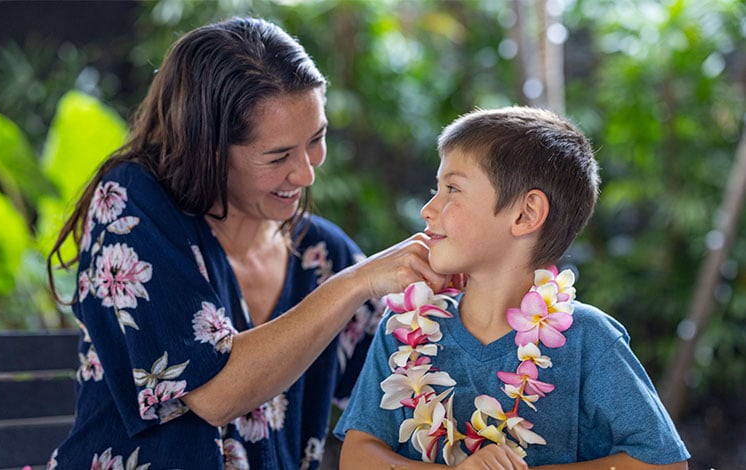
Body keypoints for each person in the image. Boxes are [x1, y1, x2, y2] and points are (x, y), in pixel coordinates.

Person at [45, 17, 452, 469]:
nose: (306, 172)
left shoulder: (317, 253)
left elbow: (409, 383)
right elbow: (214, 395)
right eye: (278, 156)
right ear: (207, 148)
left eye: (316, 139)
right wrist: (353, 283)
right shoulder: (135, 205)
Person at [334, 106, 690, 469]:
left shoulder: (589, 340)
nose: (428, 209)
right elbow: (357, 455)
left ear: (525, 214)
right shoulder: (403, 329)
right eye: (435, 189)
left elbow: (666, 464)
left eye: (452, 189)